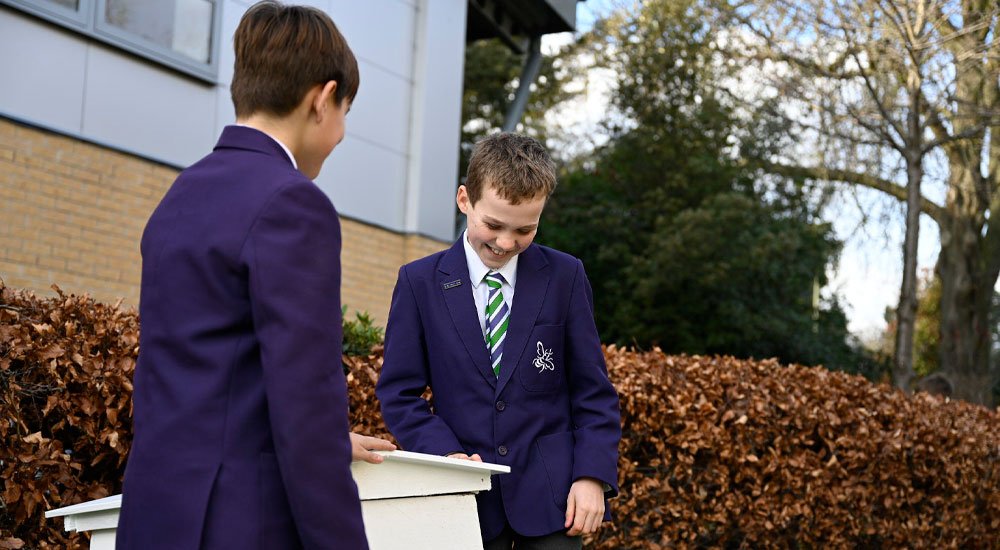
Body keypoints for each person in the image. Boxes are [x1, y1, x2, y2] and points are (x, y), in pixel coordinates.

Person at [116, 2, 393, 548]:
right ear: (321, 99)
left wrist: (334, 439)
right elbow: (305, 404)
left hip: (156, 515)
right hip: (241, 522)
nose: (340, 134)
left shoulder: (181, 193)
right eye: (345, 111)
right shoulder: (293, 203)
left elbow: (215, 370)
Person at [376, 133, 621, 549]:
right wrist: (445, 456)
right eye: (493, 225)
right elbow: (399, 393)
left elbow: (593, 392)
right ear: (464, 199)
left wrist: (592, 475)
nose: (506, 243)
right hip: (461, 501)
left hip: (553, 504)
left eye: (525, 229)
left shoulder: (565, 277)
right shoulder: (418, 283)